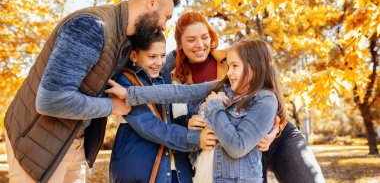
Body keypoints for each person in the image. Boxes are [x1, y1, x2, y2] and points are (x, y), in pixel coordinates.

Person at [110, 11, 325, 183]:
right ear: (179, 43)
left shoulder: (233, 59)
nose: (200, 44)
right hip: (231, 147)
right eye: (191, 39)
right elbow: (156, 80)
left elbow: (268, 88)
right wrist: (129, 93)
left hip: (271, 137)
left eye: (204, 37)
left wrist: (274, 128)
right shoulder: (172, 73)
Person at [4, 0, 180, 183]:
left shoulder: (124, 41)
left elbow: (151, 67)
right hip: (37, 143)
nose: (164, 27)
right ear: (152, 3)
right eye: (166, 17)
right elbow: (51, 100)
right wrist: (111, 106)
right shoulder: (91, 27)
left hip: (74, 140)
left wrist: (189, 49)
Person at [107, 39, 285, 182]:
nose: (228, 72)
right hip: (202, 174)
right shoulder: (223, 87)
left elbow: (237, 147)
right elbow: (180, 92)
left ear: (254, 67)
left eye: (235, 66)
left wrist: (213, 106)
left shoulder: (265, 99)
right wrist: (129, 93)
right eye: (228, 66)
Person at [109, 31, 215, 183]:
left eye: (163, 56)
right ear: (134, 56)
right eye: (152, 56)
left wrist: (194, 117)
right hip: (142, 170)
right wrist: (195, 138)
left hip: (178, 171)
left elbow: (175, 119)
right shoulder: (125, 82)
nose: (159, 62)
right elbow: (150, 125)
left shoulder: (165, 80)